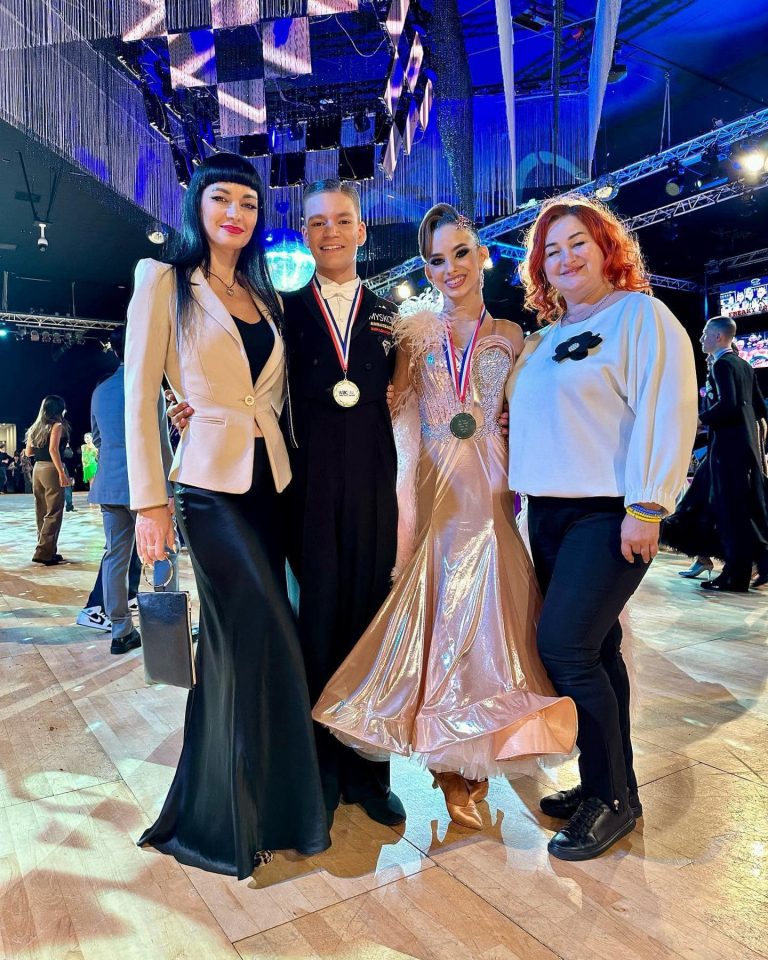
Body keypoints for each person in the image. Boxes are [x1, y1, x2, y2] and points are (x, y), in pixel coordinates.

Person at [313, 204, 578, 829]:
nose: (450, 268)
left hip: (493, 489)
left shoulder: (513, 335)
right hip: (435, 487)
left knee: (492, 627)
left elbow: (527, 407)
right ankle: (448, 771)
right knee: (438, 621)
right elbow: (393, 406)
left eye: (460, 252)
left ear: (482, 254)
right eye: (436, 260)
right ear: (427, 269)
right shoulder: (415, 332)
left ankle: (476, 764)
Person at [170, 179, 406, 829]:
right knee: (317, 625)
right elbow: (241, 381)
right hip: (303, 489)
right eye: (318, 222)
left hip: (376, 490)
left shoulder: (392, 316)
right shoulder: (280, 313)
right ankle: (320, 772)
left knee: (370, 627)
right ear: (305, 234)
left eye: (343, 220)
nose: (331, 231)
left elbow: (418, 401)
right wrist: (187, 406)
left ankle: (369, 773)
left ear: (362, 231)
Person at [124, 152, 329, 879]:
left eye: (248, 202)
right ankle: (234, 821)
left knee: (236, 649)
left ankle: (249, 810)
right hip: (208, 490)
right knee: (261, 634)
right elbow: (139, 394)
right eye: (221, 199)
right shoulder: (163, 281)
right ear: (197, 206)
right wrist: (150, 501)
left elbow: (268, 395)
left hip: (271, 484)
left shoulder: (263, 294)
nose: (235, 213)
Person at [506, 195, 697, 861]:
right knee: (597, 650)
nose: (565, 258)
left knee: (564, 648)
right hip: (548, 513)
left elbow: (667, 409)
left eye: (577, 243)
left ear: (606, 247)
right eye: (551, 250)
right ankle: (610, 787)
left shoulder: (639, 316)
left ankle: (610, 799)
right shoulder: (544, 339)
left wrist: (647, 506)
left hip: (609, 510)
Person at [90, 328, 178, 654]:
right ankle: (167, 628)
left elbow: (97, 439)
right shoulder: (148, 385)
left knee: (114, 557)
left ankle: (120, 631)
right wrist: (169, 488)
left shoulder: (100, 390)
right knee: (163, 552)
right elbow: (161, 443)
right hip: (147, 487)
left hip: (109, 486)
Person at [698, 315, 768, 591]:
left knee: (730, 512)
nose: (701, 338)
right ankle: (755, 565)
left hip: (727, 447)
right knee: (745, 508)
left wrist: (700, 420)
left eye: (705, 333)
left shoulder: (721, 365)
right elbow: (759, 408)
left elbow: (728, 405)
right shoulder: (744, 364)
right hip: (746, 445)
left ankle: (735, 576)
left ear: (718, 336)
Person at [24, 395, 73, 565]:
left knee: (42, 511)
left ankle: (48, 550)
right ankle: (44, 552)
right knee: (54, 512)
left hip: (37, 469)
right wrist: (61, 473)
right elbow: (53, 449)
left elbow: (28, 452)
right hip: (51, 469)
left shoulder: (35, 427)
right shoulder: (57, 425)